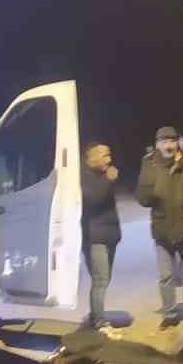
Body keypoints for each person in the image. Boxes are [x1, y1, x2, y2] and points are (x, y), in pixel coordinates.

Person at [137, 125, 183, 328]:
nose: (169, 146)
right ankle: (170, 314)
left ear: (177, 143)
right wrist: (151, 188)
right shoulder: (150, 165)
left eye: (172, 141)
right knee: (166, 277)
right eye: (164, 142)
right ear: (157, 145)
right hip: (162, 229)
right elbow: (142, 199)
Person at [80, 140, 122, 330]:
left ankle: (95, 315)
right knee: (100, 279)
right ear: (92, 157)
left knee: (104, 279)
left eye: (109, 155)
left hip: (110, 234)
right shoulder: (82, 176)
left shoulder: (103, 175)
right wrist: (108, 180)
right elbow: (92, 200)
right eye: (105, 155)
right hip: (94, 237)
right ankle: (99, 320)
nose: (109, 159)